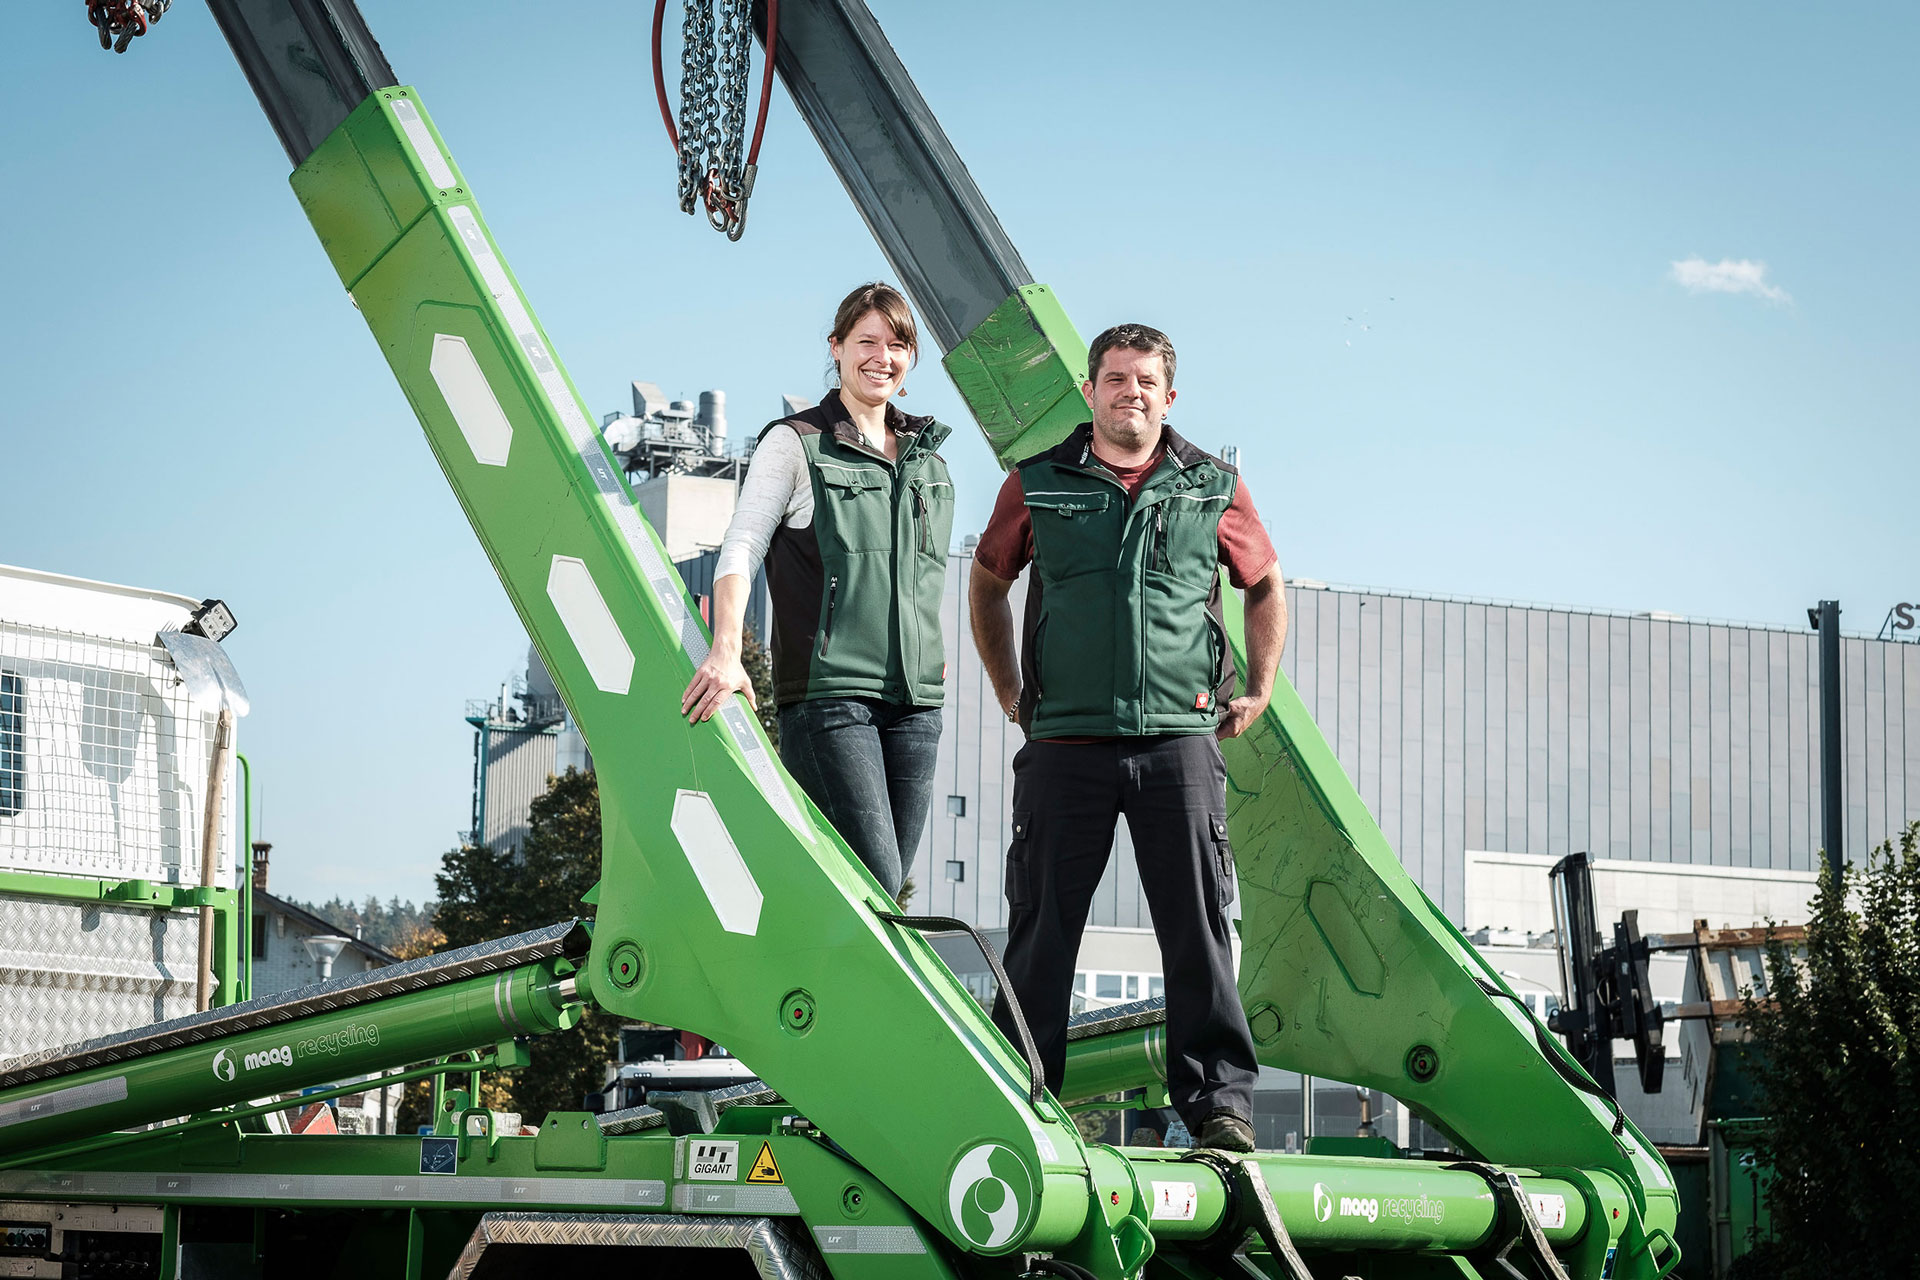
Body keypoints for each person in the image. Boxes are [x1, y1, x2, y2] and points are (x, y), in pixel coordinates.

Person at [968, 322, 1287, 1152]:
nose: (1130, 394)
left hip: (1177, 742)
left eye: (1145, 382)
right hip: (1065, 746)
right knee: (1041, 932)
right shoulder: (1037, 484)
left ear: (1169, 396)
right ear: (1090, 391)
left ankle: (1220, 1105)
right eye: (1115, 380)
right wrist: (1010, 690)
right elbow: (988, 583)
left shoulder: (1212, 486)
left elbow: (1264, 583)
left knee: (1200, 927)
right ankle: (1022, 1095)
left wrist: (1259, 685)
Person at [682, 283, 953, 900]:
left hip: (917, 707)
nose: (882, 356)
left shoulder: (929, 462)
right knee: (872, 877)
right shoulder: (796, 442)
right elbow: (741, 546)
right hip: (830, 701)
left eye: (897, 344)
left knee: (880, 897)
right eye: (866, 341)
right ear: (835, 348)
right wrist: (726, 649)